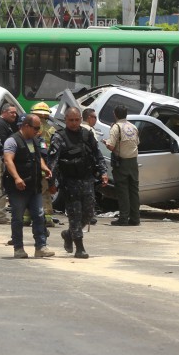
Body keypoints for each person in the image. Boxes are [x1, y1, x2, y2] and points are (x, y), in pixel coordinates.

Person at [49, 107, 108, 259]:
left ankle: (68, 234)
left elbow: (97, 154)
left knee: (89, 214)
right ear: (65, 120)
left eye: (77, 120)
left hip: (87, 179)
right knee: (75, 215)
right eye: (71, 120)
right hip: (70, 182)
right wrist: (51, 183)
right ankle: (79, 248)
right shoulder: (59, 137)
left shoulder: (87, 135)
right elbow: (53, 162)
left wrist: (103, 172)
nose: (74, 123)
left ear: (81, 120)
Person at [3, 113, 54, 259]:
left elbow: (38, 158)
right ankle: (18, 248)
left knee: (39, 215)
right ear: (26, 126)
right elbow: (8, 160)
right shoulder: (12, 141)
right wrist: (17, 178)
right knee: (18, 218)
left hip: (34, 186)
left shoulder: (34, 140)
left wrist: (44, 168)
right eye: (35, 128)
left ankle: (41, 247)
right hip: (19, 188)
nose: (38, 131)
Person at [105, 104, 140, 226]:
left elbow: (111, 146)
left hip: (122, 163)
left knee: (123, 191)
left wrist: (106, 142)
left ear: (115, 114)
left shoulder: (116, 127)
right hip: (133, 162)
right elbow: (137, 143)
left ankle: (124, 218)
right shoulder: (133, 127)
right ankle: (135, 218)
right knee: (134, 191)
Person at [0, 104, 18, 225]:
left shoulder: (5, 124)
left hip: (0, 158)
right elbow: (1, 143)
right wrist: (8, 155)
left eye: (15, 113)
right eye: (12, 112)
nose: (14, 115)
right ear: (4, 112)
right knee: (0, 187)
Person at [30, 101, 56, 228]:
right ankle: (48, 218)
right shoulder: (51, 129)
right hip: (46, 166)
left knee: (30, 193)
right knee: (45, 193)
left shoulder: (29, 128)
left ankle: (27, 217)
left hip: (32, 167)